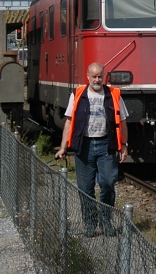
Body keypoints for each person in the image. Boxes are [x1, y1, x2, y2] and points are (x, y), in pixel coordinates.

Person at [55, 62, 129, 236]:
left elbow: (123, 122)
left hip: (106, 145)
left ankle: (106, 221)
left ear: (104, 77)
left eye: (100, 76)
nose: (97, 79)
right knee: (85, 188)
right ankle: (90, 224)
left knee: (108, 184)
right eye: (94, 76)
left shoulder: (114, 95)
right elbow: (69, 122)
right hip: (84, 146)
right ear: (87, 76)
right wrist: (63, 147)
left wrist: (124, 145)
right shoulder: (78, 94)